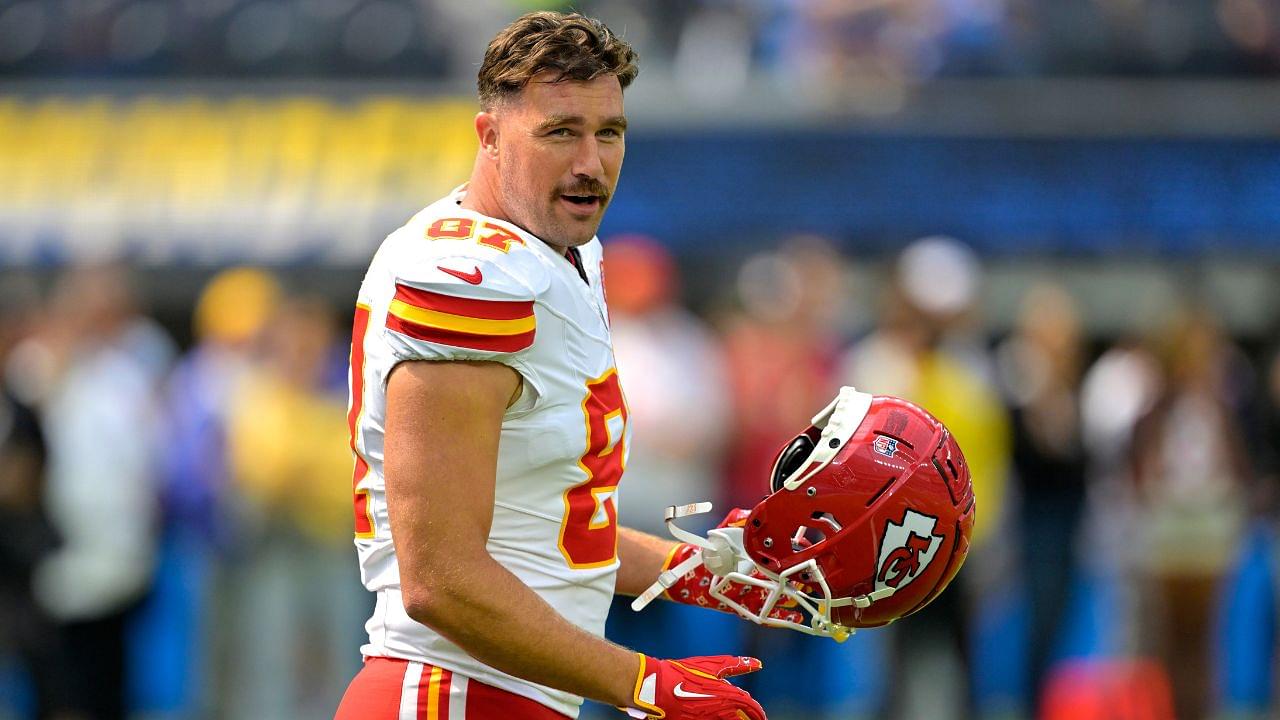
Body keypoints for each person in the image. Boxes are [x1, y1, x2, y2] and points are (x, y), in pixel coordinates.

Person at [334, 12, 780, 720]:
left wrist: (727, 577)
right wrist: (646, 683)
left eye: (609, 133)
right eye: (560, 131)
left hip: (516, 693)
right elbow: (440, 580)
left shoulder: (558, 251)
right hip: (449, 694)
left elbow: (554, 529)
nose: (590, 162)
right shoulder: (467, 278)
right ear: (489, 136)